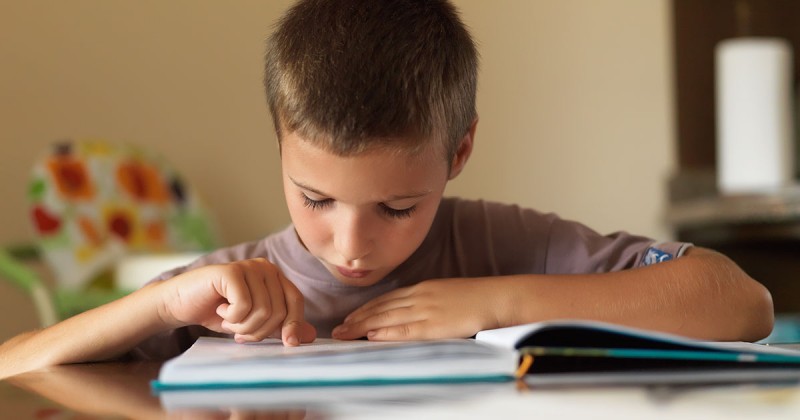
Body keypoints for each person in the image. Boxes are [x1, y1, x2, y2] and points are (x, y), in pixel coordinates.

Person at [0, 0, 773, 377]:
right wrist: (169, 302)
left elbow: (739, 300)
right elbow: (14, 366)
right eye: (315, 199)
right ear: (280, 144)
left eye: (398, 208)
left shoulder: (500, 245)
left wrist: (498, 302)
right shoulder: (236, 287)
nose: (350, 245)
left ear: (459, 150)